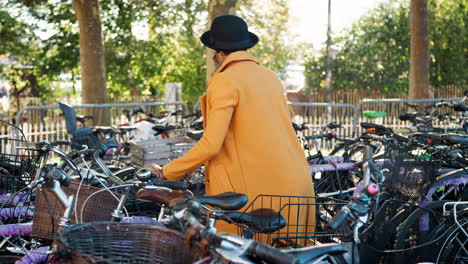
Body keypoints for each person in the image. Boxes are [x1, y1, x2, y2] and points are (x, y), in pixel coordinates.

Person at [146, 15, 315, 236]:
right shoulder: (271, 78)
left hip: (253, 189)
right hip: (296, 182)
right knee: (285, 254)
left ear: (217, 52)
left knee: (232, 253)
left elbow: (211, 144)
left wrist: (167, 172)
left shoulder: (225, 79)